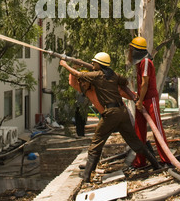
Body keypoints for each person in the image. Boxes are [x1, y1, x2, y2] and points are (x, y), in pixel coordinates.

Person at [60, 52, 160, 182]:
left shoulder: (96, 77)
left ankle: (86, 177)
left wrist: (64, 64)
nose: (83, 84)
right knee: (133, 141)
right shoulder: (111, 76)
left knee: (96, 143)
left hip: (111, 113)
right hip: (121, 112)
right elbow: (123, 81)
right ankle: (155, 164)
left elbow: (78, 75)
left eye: (94, 63)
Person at [128, 37, 171, 168]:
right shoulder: (139, 62)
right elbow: (141, 82)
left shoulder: (146, 62)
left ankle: (166, 160)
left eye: (131, 49)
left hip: (149, 99)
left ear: (137, 50)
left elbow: (145, 83)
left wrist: (140, 101)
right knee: (139, 131)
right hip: (142, 100)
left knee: (157, 129)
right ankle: (140, 161)